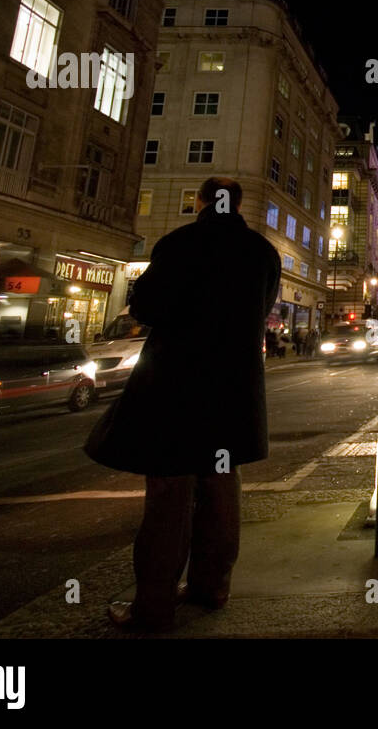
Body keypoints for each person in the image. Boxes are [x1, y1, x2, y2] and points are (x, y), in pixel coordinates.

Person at [85, 177, 280, 631]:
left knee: (169, 495)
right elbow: (261, 310)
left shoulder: (181, 243)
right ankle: (212, 586)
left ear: (201, 202)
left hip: (178, 386)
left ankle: (152, 607)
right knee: (220, 486)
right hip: (233, 390)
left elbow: (147, 307)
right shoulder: (262, 253)